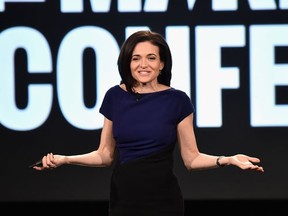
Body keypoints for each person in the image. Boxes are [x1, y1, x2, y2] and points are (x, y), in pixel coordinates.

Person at [32, 30, 264, 216]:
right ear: (128, 62)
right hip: (123, 200)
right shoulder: (114, 96)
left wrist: (227, 160)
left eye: (151, 58)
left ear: (162, 64)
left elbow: (192, 159)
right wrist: (65, 160)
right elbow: (105, 155)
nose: (143, 65)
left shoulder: (178, 100)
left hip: (164, 201)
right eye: (136, 58)